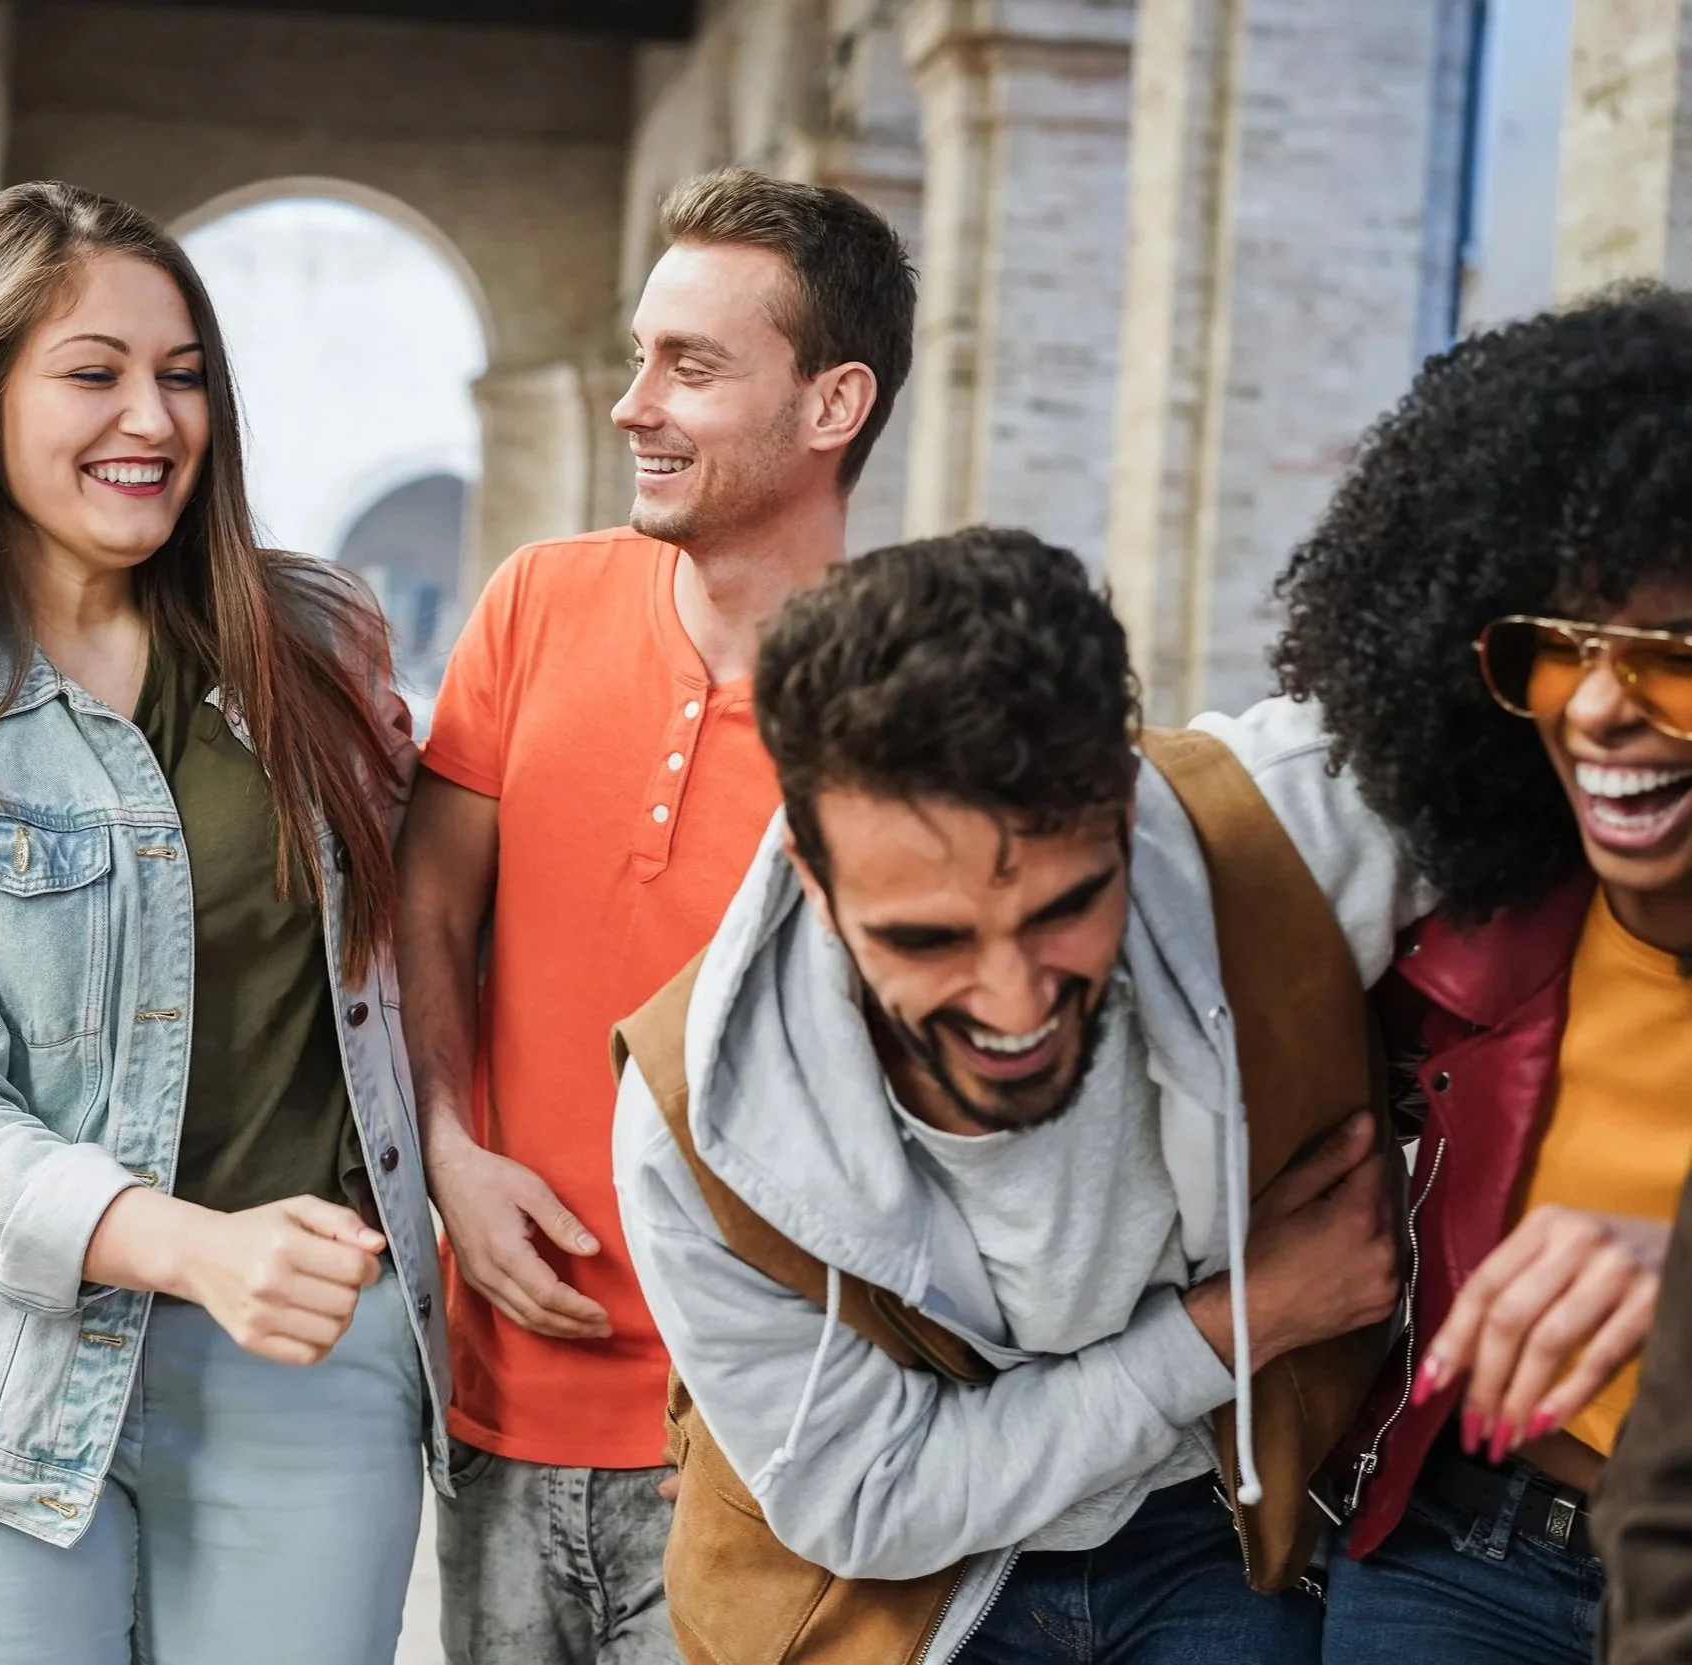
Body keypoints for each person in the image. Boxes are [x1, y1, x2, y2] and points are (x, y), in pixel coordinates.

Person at [0, 181, 444, 1665]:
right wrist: (191, 1248)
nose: (154, 420)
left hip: (302, 1360)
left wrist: (463, 1161)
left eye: (181, 377)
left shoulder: (313, 639)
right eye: (94, 373)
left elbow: (420, 947)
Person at [611, 531, 1423, 1663]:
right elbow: (873, 1505)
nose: (1008, 1001)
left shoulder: (1272, 834)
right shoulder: (692, 1127)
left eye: (1062, 909)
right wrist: (1236, 1324)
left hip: (1213, 1521)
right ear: (812, 871)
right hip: (878, 1596)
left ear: (1126, 805)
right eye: (928, 938)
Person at [396, 165, 914, 1665]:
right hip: (497, 1414)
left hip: (770, 1463)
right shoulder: (535, 602)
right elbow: (428, 901)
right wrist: (447, 1154)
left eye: (690, 367)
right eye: (639, 357)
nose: (634, 403)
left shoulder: (905, 702)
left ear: (830, 407)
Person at [1273, 288, 1692, 1664]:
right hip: (1467, 1554)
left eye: (1665, 661)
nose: (1596, 705)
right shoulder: (1470, 929)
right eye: (1555, 650)